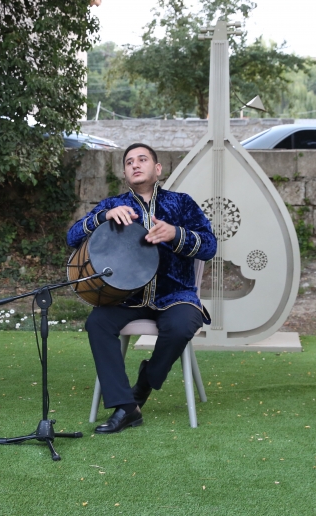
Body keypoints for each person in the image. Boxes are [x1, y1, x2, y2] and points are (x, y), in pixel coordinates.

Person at [68, 143, 217, 434]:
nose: (135, 165)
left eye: (142, 159)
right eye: (129, 162)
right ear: (125, 173)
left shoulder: (181, 203)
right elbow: (72, 237)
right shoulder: (113, 205)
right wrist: (102, 217)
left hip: (175, 296)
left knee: (182, 325)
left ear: (157, 169)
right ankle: (127, 407)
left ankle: (145, 382)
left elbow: (210, 247)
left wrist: (176, 234)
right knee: (97, 322)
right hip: (126, 297)